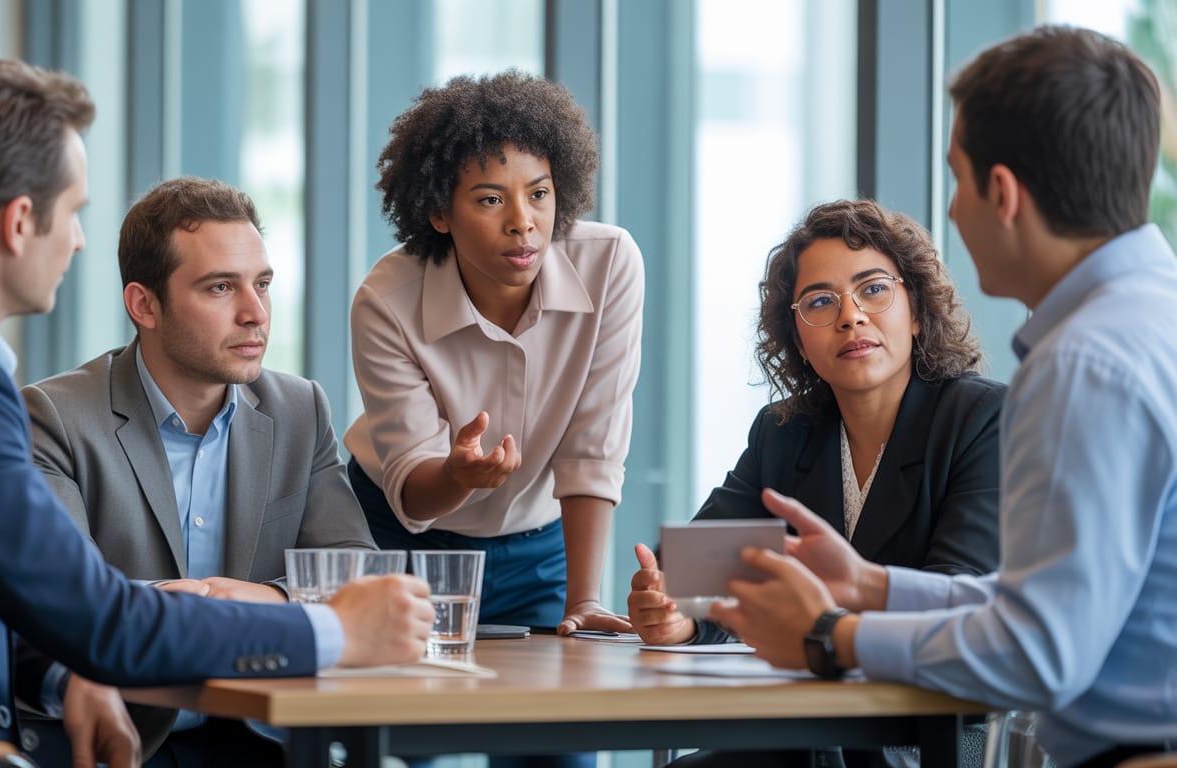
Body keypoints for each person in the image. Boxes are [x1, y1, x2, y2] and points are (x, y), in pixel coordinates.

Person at [0, 57, 433, 767]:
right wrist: (333, 633)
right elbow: (101, 621)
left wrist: (71, 670)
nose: (80, 240)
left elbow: (9, 602)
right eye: (76, 211)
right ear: (20, 222)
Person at [712, 26, 1177, 768]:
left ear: (1003, 193)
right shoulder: (1151, 316)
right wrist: (868, 586)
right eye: (821, 302)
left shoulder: (1085, 363)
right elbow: (1046, 602)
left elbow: (1036, 652)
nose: (952, 213)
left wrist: (830, 635)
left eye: (956, 179)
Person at [628, 199, 1003, 768]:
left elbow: (955, 594)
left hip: (920, 737)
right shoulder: (785, 432)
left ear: (918, 310)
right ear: (800, 341)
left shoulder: (981, 419)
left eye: (874, 289)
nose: (851, 316)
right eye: (821, 302)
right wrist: (679, 616)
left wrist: (814, 621)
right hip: (801, 729)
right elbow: (695, 564)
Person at [18, 177, 377, 766]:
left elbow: (355, 575)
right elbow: (59, 608)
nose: (255, 313)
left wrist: (261, 597)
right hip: (118, 738)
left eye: (262, 284)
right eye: (220, 288)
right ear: (144, 305)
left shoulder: (299, 409)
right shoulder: (54, 416)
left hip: (263, 736)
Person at [343, 71, 643, 637]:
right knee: (411, 709)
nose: (522, 222)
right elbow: (410, 478)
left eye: (539, 193)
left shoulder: (610, 264)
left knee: (546, 708)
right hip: (402, 536)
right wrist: (459, 474)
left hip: (539, 544)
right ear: (440, 213)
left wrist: (585, 599)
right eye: (489, 199)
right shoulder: (386, 300)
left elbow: (593, 443)